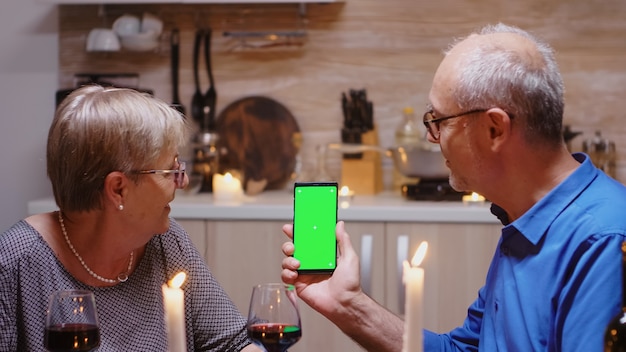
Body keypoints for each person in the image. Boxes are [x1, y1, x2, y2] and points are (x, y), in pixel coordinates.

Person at [280, 23, 626, 351]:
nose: (433, 139)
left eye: (438, 122)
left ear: (494, 129)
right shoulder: (525, 219)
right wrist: (348, 305)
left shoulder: (604, 243)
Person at [0, 85, 262, 351]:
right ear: (118, 189)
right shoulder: (16, 261)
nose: (181, 182)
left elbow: (234, 343)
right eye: (170, 171)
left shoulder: (166, 243)